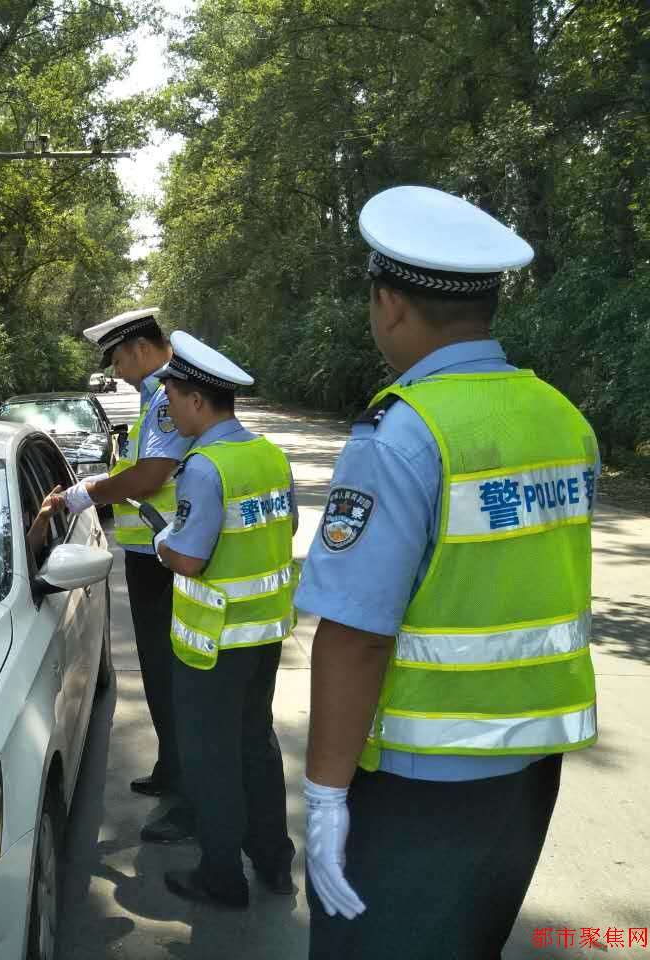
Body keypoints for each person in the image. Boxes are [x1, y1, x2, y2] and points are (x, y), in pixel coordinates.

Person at [297, 185, 600, 958]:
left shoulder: (402, 433)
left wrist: (326, 795)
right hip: (529, 772)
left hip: (418, 786)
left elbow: (354, 637)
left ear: (390, 305)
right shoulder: (562, 417)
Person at [149, 331, 298, 907]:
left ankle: (221, 876)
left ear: (196, 402)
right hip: (264, 635)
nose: (168, 411)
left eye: (172, 399)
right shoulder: (269, 456)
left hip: (211, 644)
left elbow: (188, 556)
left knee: (211, 759)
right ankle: (274, 862)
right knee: (256, 746)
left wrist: (164, 537)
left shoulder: (204, 468)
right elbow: (283, 532)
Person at [58, 307, 194, 831]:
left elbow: (150, 475)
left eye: (117, 356)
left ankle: (189, 795)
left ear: (139, 348)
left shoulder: (166, 397)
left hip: (168, 561)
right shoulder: (153, 396)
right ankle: (172, 767)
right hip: (151, 557)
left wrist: (84, 493)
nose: (115, 369)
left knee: (172, 674)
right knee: (160, 672)